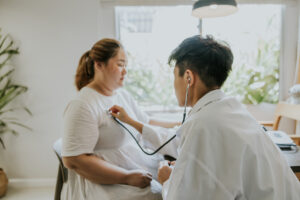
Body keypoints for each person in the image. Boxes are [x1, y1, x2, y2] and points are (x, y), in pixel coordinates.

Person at [113, 35, 300, 200]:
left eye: (174, 76)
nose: (173, 84)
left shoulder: (204, 125)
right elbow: (176, 141)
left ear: (188, 78)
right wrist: (130, 121)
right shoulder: (230, 110)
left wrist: (168, 180)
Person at [61, 38, 179, 200]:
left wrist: (179, 125)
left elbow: (146, 121)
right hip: (105, 180)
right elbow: (74, 160)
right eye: (120, 64)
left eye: (126, 65)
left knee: (176, 185)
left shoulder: (121, 95)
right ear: (99, 65)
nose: (125, 71)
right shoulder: (83, 104)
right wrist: (126, 176)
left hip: (135, 168)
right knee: (158, 195)